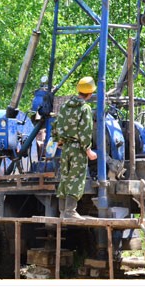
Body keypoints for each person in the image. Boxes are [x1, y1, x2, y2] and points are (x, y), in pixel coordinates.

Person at [54, 77, 98, 219]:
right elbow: (85, 131)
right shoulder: (85, 108)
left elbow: (56, 125)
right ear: (90, 94)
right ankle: (70, 211)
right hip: (78, 149)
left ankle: (62, 211)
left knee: (65, 177)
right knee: (76, 178)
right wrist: (88, 150)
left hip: (65, 148)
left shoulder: (65, 106)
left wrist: (59, 142)